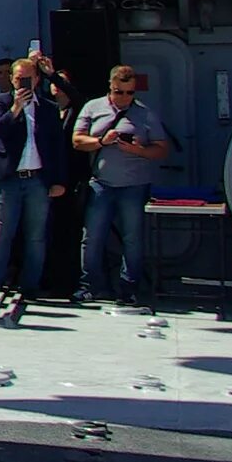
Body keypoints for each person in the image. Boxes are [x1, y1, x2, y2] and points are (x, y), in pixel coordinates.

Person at [0, 51, 73, 322]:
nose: (23, 84)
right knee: (2, 234)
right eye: (19, 79)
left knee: (36, 235)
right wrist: (16, 109)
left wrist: (58, 181)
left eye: (28, 79)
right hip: (9, 178)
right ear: (11, 80)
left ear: (36, 80)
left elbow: (57, 147)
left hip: (37, 178)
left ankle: (30, 285)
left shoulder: (47, 108)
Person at [72, 65, 170, 308]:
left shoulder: (144, 113)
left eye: (129, 93)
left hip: (134, 185)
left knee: (133, 238)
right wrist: (100, 141)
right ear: (110, 87)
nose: (124, 98)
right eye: (119, 92)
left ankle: (129, 289)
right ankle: (91, 286)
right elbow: (76, 140)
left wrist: (139, 150)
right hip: (101, 183)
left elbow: (162, 148)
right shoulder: (93, 108)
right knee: (92, 237)